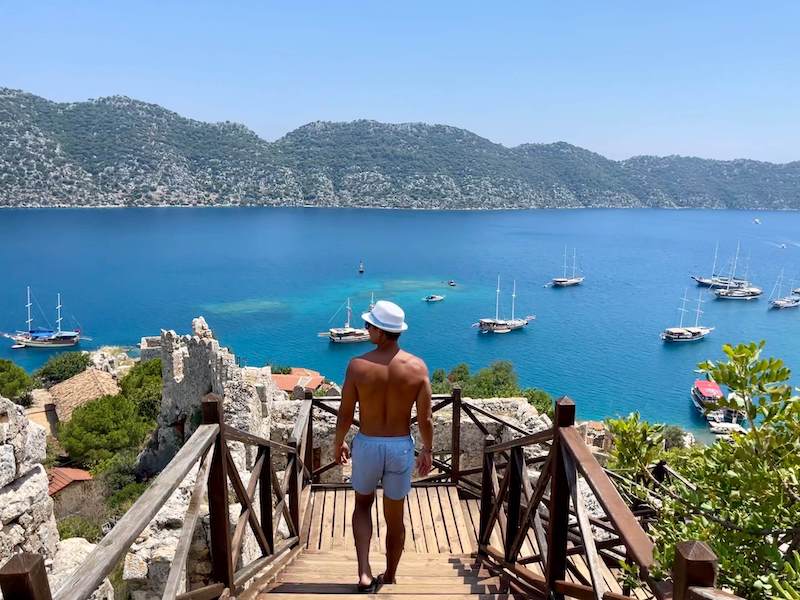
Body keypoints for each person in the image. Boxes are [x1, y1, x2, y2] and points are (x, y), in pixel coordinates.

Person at [333, 300, 434, 593]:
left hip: (367, 445)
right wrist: (427, 450)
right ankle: (389, 574)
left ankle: (364, 572)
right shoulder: (417, 367)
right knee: (395, 517)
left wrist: (339, 442)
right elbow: (425, 418)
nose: (365, 329)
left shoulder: (358, 366)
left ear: (380, 330)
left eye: (369, 325)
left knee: (362, 506)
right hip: (400, 447)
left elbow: (345, 413)